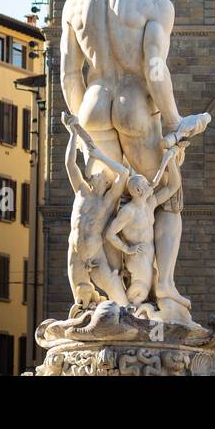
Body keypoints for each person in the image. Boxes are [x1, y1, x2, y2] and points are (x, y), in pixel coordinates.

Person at [60, 0, 209, 323]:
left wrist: (81, 131)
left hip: (93, 107)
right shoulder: (153, 3)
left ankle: (109, 299)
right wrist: (175, 122)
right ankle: (164, 289)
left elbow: (69, 76)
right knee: (166, 195)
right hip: (135, 107)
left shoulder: (75, 3)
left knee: (105, 201)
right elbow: (155, 70)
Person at [63, 111, 135, 310]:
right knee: (80, 298)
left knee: (115, 291)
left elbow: (124, 173)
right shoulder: (81, 191)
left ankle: (131, 318)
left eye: (99, 174)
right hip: (75, 251)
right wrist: (73, 134)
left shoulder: (108, 201)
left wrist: (101, 156)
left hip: (95, 254)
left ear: (105, 182)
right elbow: (70, 164)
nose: (94, 175)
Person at [104, 170, 181, 305]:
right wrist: (127, 249)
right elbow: (110, 234)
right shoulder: (128, 211)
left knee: (150, 291)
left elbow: (172, 187)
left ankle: (133, 310)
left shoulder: (150, 204)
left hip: (149, 256)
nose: (150, 184)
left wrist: (170, 161)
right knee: (141, 291)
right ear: (139, 190)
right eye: (146, 183)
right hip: (138, 258)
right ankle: (125, 309)